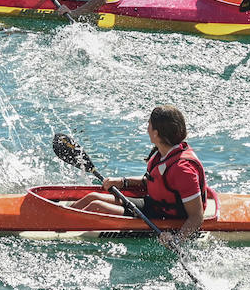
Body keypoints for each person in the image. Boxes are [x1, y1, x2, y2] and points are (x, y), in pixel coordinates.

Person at [68, 106, 214, 247]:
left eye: (149, 124)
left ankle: (63, 229)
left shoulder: (183, 170)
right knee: (92, 197)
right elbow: (151, 180)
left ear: (156, 133)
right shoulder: (162, 153)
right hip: (154, 205)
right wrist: (122, 182)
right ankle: (60, 220)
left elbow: (196, 217)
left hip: (168, 217)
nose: (147, 128)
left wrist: (177, 239)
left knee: (96, 207)